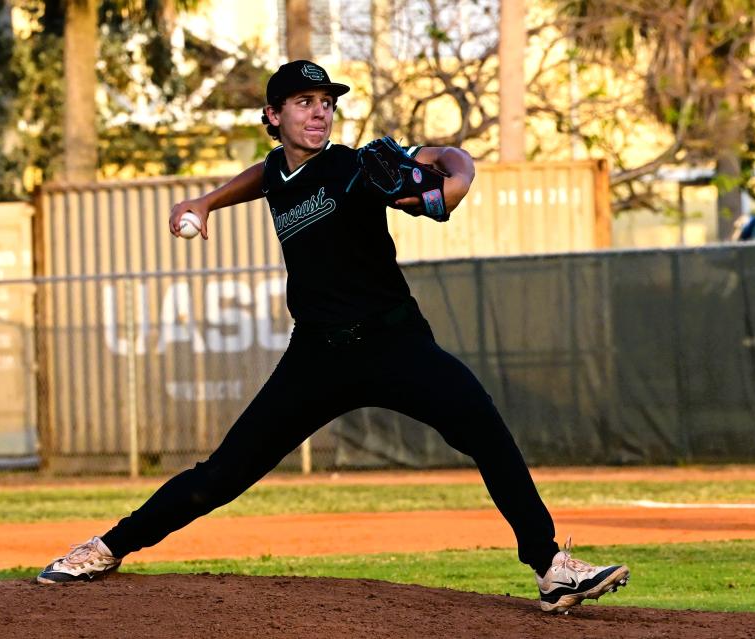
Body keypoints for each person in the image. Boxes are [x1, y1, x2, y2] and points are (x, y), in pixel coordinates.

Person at [37, 59, 629, 614]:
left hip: (394, 343)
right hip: (316, 357)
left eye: (325, 102)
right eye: (303, 102)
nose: (319, 112)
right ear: (274, 116)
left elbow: (442, 187)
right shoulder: (278, 171)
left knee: (483, 425)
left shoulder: (351, 167)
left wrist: (459, 162)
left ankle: (552, 567)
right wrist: (209, 200)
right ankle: (105, 548)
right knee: (222, 475)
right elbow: (266, 177)